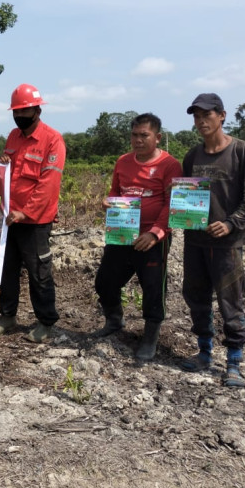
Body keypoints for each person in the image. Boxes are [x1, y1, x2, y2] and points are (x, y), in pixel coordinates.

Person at [180, 93, 245, 388]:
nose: (201, 121)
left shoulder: (241, 151)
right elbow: (186, 196)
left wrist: (229, 224)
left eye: (207, 115)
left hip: (227, 245)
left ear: (222, 116)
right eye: (196, 117)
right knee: (196, 297)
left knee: (231, 301)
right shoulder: (192, 156)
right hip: (195, 241)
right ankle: (204, 352)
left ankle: (234, 362)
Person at [93, 113, 183, 361]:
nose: (138, 140)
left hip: (152, 239)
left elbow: (171, 204)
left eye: (144, 135)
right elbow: (115, 192)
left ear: (158, 137)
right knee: (104, 282)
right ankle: (114, 321)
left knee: (153, 289)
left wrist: (155, 234)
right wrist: (107, 202)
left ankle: (150, 338)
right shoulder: (122, 162)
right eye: (134, 135)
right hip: (122, 234)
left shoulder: (170, 165)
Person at [0, 84, 66, 343]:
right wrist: (1, 165)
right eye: (16, 111)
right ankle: (8, 317)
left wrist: (25, 212)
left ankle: (45, 322)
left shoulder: (52, 140)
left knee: (39, 273)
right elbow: (9, 173)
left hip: (35, 222)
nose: (20, 115)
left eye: (25, 110)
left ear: (37, 110)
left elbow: (48, 184)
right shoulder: (13, 137)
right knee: (7, 271)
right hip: (9, 219)